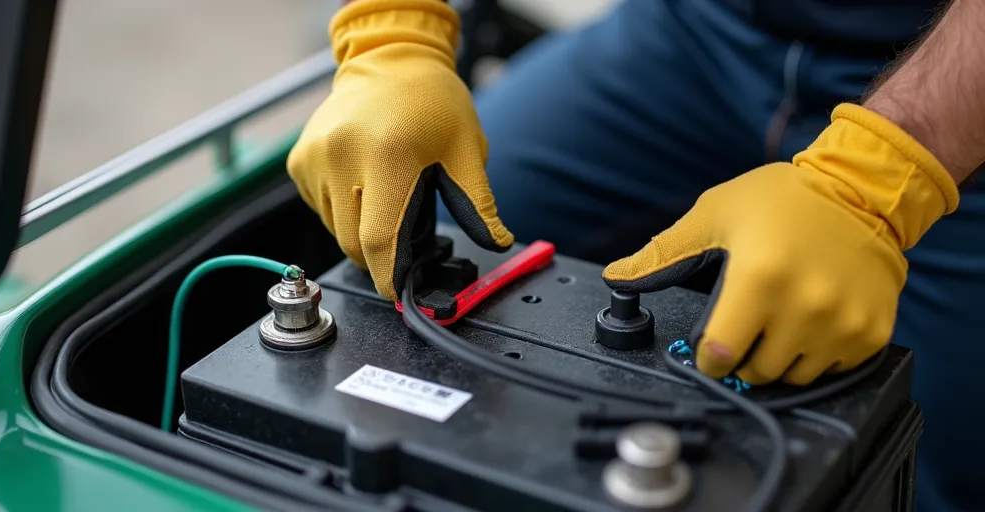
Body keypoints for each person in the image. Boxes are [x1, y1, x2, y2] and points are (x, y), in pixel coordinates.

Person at [287, 0, 985, 508]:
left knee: (936, 453)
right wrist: (390, 34)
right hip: (698, 30)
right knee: (418, 216)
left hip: (954, 84)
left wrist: (876, 180)